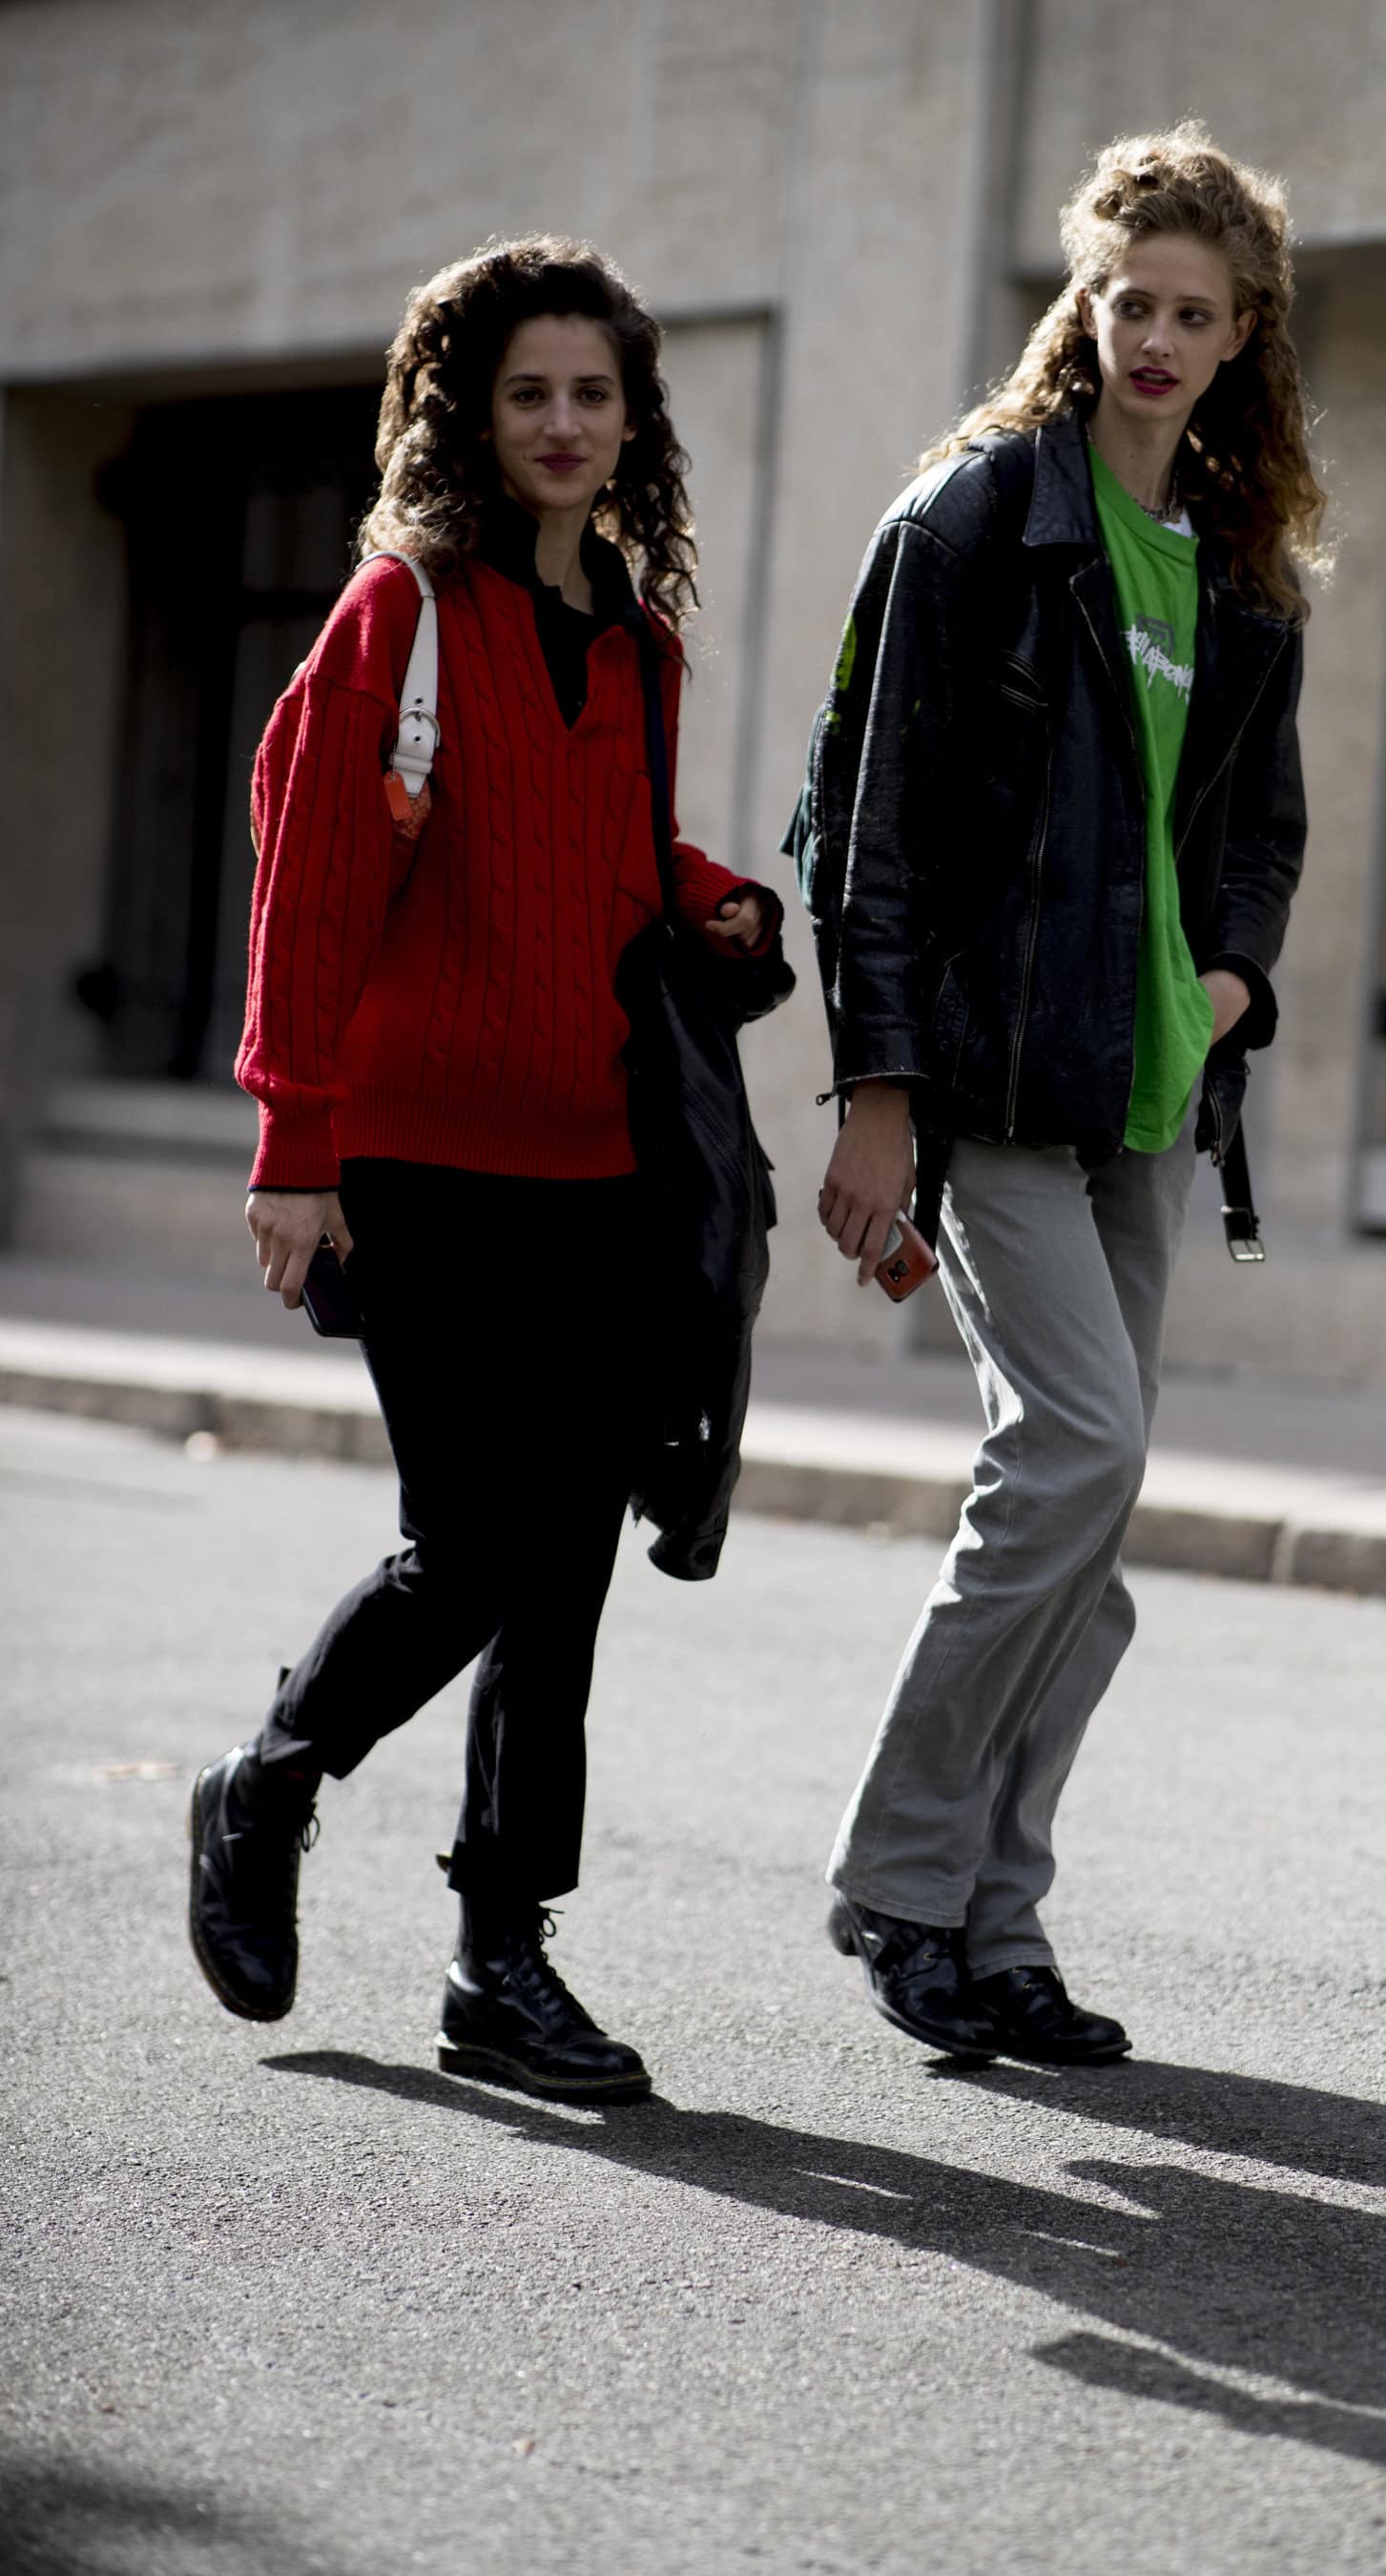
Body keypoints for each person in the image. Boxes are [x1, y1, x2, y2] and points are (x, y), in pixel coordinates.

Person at [188, 237, 780, 2103]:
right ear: (471, 409)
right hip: (419, 1162)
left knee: (572, 1570)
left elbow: (609, 852)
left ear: (631, 420)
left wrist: (711, 898)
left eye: (593, 393)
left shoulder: (635, 631)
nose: (563, 422)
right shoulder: (401, 614)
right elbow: (306, 880)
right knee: (479, 1545)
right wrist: (294, 1143)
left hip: (601, 1165)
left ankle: (499, 1955)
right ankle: (264, 1787)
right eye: (528, 391)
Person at [796, 125, 1326, 2064]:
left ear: (1246, 331)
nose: (1158, 339)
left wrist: (1233, 972)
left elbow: (1258, 832)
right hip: (999, 1079)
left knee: (1087, 1530)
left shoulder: (1246, 574)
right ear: (1083, 302)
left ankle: (997, 1930)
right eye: (1132, 301)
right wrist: (879, 1093)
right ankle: (901, 1881)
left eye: (1197, 313)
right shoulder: (971, 522)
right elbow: (870, 825)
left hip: (1151, 1089)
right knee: (1074, 1460)